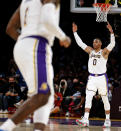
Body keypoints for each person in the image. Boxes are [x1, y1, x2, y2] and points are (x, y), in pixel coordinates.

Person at [0, 0, 71, 130]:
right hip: (37, 45)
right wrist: (63, 37)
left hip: (23, 45)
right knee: (42, 95)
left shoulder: (26, 1)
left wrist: (24, 41)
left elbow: (10, 28)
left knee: (46, 97)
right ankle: (5, 128)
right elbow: (47, 20)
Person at [72, 22, 115, 127]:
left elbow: (112, 44)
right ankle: (85, 119)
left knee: (104, 98)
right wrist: (75, 33)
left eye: (96, 42)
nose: (94, 43)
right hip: (91, 78)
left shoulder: (104, 52)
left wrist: (112, 33)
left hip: (101, 78)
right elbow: (80, 43)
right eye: (93, 42)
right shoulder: (90, 51)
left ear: (100, 44)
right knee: (88, 97)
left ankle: (108, 120)